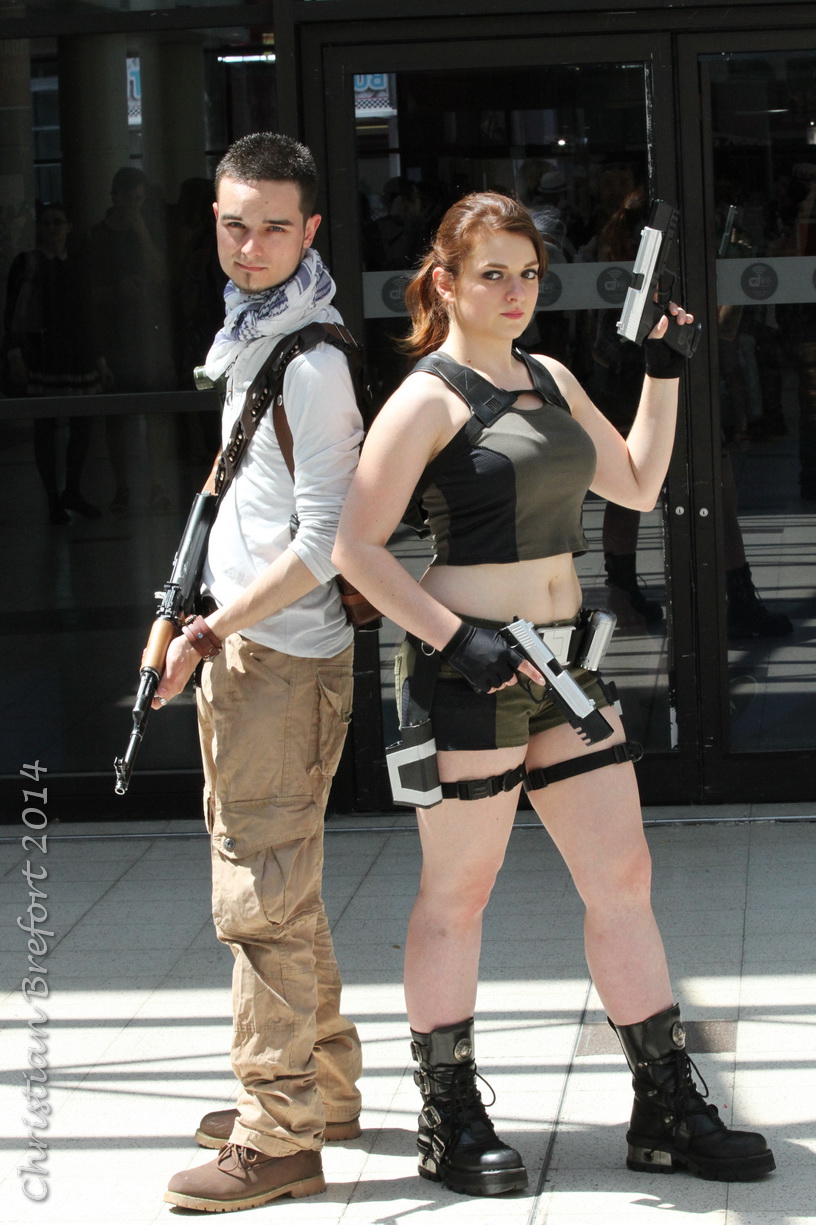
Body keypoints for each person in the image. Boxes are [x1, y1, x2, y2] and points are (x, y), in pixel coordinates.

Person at [333, 191, 774, 1195]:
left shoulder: (552, 376)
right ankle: (450, 1114)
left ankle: (664, 1105)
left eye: (528, 272)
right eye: (492, 273)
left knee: (622, 877)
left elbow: (638, 484)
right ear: (445, 283)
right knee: (460, 892)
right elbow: (355, 546)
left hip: (566, 662)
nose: (515, 291)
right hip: (468, 668)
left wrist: (663, 371)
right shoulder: (426, 398)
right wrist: (459, 638)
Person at [154, 133, 364, 1213]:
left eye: (275, 226)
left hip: (282, 658)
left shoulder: (313, 363)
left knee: (257, 898)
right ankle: (323, 1087)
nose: (251, 246)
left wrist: (211, 630)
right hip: (248, 649)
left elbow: (325, 543)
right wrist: (183, 611)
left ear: (311, 229)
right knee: (284, 883)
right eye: (236, 224)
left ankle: (278, 1132)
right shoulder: (255, 336)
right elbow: (238, 497)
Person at [2, 202, 110, 522]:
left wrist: (99, 359)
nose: (52, 229)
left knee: (81, 426)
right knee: (46, 427)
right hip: (44, 354)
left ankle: (72, 489)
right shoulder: (28, 263)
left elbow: (88, 316)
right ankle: (53, 498)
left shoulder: (76, 264)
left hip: (76, 354)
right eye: (47, 223)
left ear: (68, 227)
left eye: (57, 223)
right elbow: (14, 312)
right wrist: (15, 353)